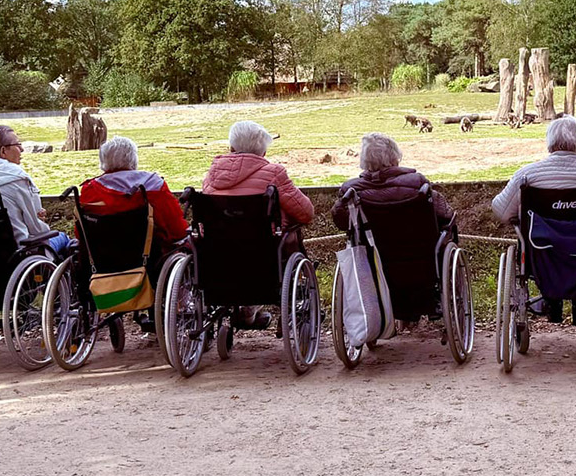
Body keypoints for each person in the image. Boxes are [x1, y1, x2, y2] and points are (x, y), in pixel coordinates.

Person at [491, 116, 576, 325]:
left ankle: (551, 299)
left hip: (542, 257)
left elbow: (501, 211)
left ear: (549, 144)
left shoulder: (527, 176)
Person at [202, 120, 314, 329]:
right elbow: (306, 213)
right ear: (262, 152)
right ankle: (288, 307)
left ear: (231, 148)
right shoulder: (274, 174)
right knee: (290, 235)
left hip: (220, 257)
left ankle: (245, 310)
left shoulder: (211, 176)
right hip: (265, 255)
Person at [78, 136, 189, 323]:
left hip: (102, 260)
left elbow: (82, 233)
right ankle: (181, 308)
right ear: (133, 160)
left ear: (103, 162)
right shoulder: (153, 185)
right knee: (184, 245)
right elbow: (176, 228)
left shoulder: (89, 190)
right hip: (150, 261)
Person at [0, 125, 74, 256]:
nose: (22, 149)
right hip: (14, 253)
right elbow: (37, 230)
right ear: (3, 151)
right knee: (63, 238)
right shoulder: (16, 178)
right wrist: (38, 218)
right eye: (18, 144)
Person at [331, 132, 454, 231]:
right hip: (420, 255)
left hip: (371, 258)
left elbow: (342, 223)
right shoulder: (417, 183)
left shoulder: (351, 191)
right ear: (394, 157)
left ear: (364, 160)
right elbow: (445, 215)